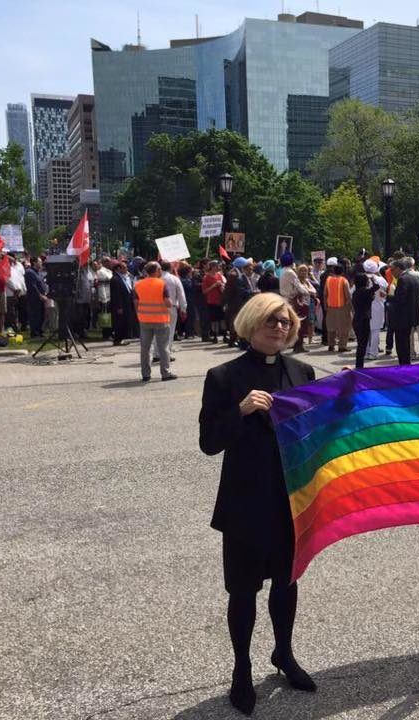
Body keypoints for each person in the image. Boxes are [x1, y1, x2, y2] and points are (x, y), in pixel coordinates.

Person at [198, 293, 317, 716]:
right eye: (270, 322)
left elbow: (318, 430)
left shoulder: (303, 372)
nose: (279, 328)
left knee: (286, 584)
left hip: (290, 500)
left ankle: (283, 653)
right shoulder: (223, 377)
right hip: (246, 501)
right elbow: (209, 443)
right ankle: (241, 668)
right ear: (251, 324)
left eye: (285, 322)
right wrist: (242, 410)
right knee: (244, 590)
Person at [134, 261, 176, 382]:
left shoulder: (138, 284)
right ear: (157, 271)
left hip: (144, 319)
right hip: (161, 319)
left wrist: (140, 313)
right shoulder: (162, 284)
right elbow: (168, 303)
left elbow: (136, 303)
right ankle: (165, 373)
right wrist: (172, 304)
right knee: (163, 347)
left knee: (145, 348)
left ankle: (145, 374)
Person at [387, 258, 419, 365]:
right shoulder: (413, 278)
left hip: (402, 317)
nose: (391, 273)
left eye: (392, 270)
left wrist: (390, 296)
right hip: (410, 315)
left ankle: (404, 365)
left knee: (401, 344)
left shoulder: (403, 280)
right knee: (406, 342)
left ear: (398, 268)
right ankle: (406, 363)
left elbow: (400, 299)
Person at [323, 258, 352, 352]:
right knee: (343, 328)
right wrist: (350, 307)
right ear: (342, 271)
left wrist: (325, 305)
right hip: (342, 307)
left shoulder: (328, 280)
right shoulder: (344, 280)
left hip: (330, 307)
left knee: (331, 327)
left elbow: (325, 294)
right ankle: (342, 346)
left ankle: (331, 345)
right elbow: (348, 295)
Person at [109, 261, 134, 346]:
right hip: (120, 305)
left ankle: (122, 338)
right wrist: (119, 307)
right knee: (119, 322)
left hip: (126, 303)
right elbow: (116, 295)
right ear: (118, 269)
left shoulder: (122, 278)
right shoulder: (115, 279)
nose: (126, 269)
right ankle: (117, 339)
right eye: (124, 267)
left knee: (124, 322)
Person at [202, 260, 226, 343]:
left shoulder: (219, 275)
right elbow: (204, 291)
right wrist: (214, 286)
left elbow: (223, 285)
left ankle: (225, 336)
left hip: (220, 300)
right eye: (217, 266)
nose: (218, 267)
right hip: (212, 301)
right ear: (212, 267)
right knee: (214, 320)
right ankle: (215, 336)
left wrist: (221, 286)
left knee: (222, 319)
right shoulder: (206, 277)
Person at [24, 258, 48, 338]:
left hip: (42, 297)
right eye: (40, 262)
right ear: (34, 262)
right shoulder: (29, 272)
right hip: (34, 298)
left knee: (42, 315)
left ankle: (40, 331)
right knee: (35, 315)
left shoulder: (39, 273)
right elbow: (33, 286)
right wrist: (40, 295)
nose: (41, 263)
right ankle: (34, 332)